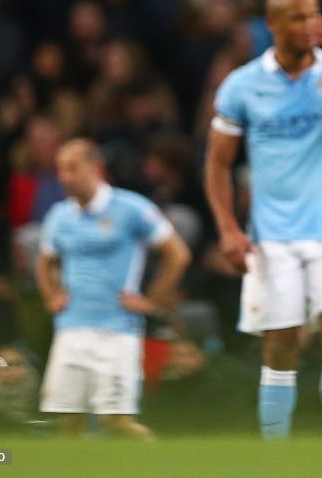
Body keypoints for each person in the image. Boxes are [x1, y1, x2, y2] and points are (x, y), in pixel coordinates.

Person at [204, 0, 322, 440]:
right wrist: (228, 229)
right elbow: (218, 164)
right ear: (272, 24)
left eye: (313, 15)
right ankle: (277, 455)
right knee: (282, 346)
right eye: (297, 17)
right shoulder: (242, 85)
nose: (310, 25)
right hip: (273, 237)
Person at [35, 138, 191, 438]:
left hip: (117, 329)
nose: (64, 177)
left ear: (96, 168)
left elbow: (177, 254)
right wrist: (51, 295)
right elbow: (45, 261)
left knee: (116, 422)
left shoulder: (131, 208)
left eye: (72, 169)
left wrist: (152, 301)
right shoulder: (60, 216)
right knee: (68, 423)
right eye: (61, 170)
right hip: (70, 329)